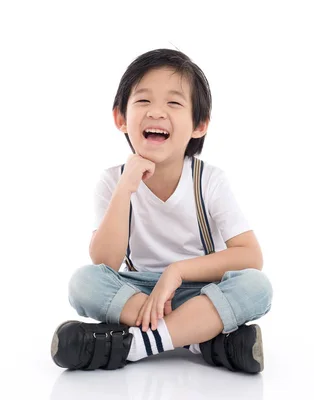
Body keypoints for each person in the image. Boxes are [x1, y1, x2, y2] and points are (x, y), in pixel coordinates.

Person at [50, 48, 273, 374]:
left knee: (256, 286)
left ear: (199, 125)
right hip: (137, 294)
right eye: (143, 101)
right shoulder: (113, 181)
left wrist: (178, 271)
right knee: (82, 282)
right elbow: (105, 262)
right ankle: (199, 339)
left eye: (173, 103)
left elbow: (251, 256)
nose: (156, 112)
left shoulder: (208, 180)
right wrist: (126, 188)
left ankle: (136, 345)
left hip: (202, 292)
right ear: (120, 118)